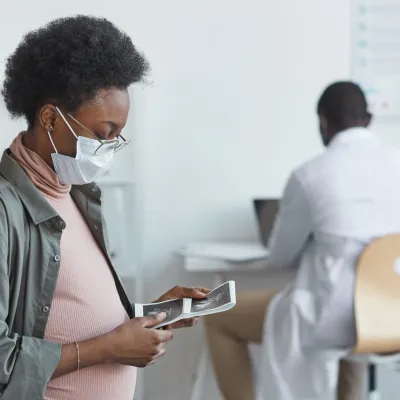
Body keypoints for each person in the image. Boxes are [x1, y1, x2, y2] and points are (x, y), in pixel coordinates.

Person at [0, 16, 210, 400]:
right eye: (102, 133)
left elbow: (64, 314)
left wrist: (153, 313)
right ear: (49, 118)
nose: (108, 148)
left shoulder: (79, 195)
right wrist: (111, 348)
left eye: (117, 136)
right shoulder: (4, 210)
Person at [205, 81, 400, 400]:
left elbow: (280, 257)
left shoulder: (311, 175)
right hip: (390, 311)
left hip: (335, 318)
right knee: (357, 323)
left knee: (218, 317)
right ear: (368, 119)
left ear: (323, 121)